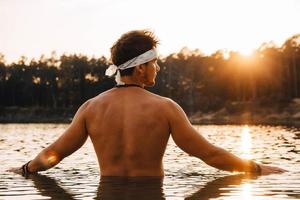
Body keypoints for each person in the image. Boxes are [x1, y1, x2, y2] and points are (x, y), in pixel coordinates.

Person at [9, 30, 286, 177]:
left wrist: (24, 169)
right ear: (140, 68)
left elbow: (54, 154)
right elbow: (209, 155)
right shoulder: (166, 108)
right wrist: (256, 168)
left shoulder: (91, 108)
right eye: (155, 62)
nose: (158, 68)